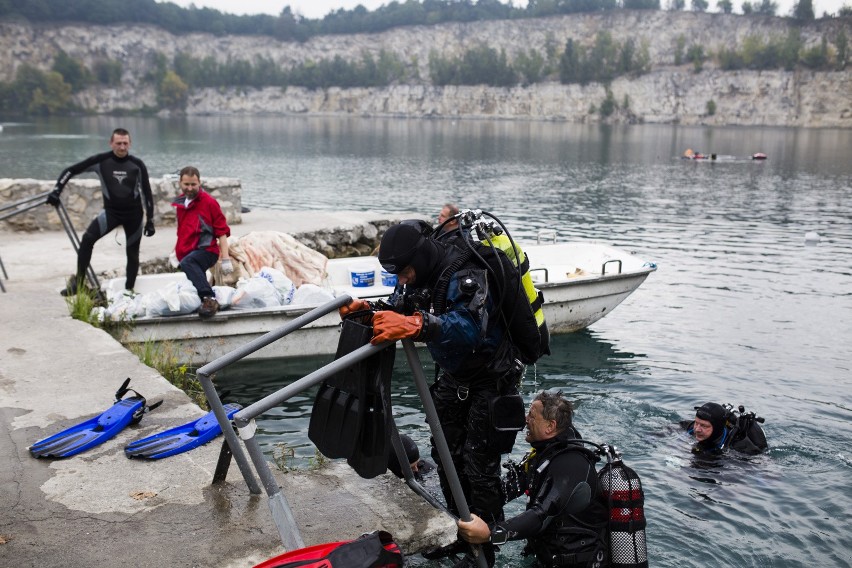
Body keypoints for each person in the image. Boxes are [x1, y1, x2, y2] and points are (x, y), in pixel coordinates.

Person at [342, 221, 543, 567]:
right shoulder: (420, 275)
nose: (403, 280)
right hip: (455, 379)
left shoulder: (466, 271)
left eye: (405, 272)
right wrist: (371, 311)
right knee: (447, 455)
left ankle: (484, 550)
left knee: (479, 467)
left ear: (418, 258)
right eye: (398, 275)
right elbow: (402, 305)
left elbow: (468, 329)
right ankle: (457, 533)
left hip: (491, 381)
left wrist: (417, 325)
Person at [457, 390, 609, 567]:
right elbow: (505, 492)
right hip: (546, 559)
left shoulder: (571, 464)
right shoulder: (541, 455)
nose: (525, 419)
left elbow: (540, 516)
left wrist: (491, 533)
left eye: (532, 415)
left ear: (550, 426)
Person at [46, 127, 155, 295]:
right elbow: (71, 170)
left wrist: (150, 220)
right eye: (118, 143)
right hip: (111, 213)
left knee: (132, 253)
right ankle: (80, 284)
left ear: (130, 144)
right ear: (111, 143)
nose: (122, 147)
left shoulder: (137, 165)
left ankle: (129, 291)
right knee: (87, 239)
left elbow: (147, 193)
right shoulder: (101, 161)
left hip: (134, 215)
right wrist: (56, 190)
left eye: (125, 143)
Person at [171, 166, 233, 319]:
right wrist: (174, 251)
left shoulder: (209, 203)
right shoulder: (180, 204)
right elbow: (182, 231)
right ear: (180, 183)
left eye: (194, 184)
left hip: (207, 250)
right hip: (187, 252)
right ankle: (201, 300)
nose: (190, 188)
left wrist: (226, 259)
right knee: (191, 271)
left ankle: (210, 299)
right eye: (186, 184)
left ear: (199, 183)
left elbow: (222, 232)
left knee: (188, 263)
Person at [682, 402, 768, 455]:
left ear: (717, 427)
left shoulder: (740, 447)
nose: (697, 429)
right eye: (696, 423)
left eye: (704, 426)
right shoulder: (692, 427)